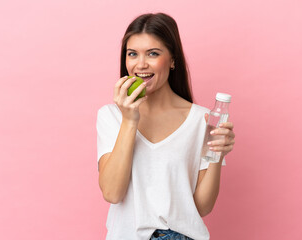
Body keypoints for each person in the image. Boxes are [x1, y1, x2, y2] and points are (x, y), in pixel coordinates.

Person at [96, 13, 235, 240]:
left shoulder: (203, 120)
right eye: (132, 54)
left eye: (153, 53)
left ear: (172, 60)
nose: (140, 64)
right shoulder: (111, 116)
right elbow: (112, 192)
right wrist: (130, 119)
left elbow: (201, 208)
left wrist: (217, 155)